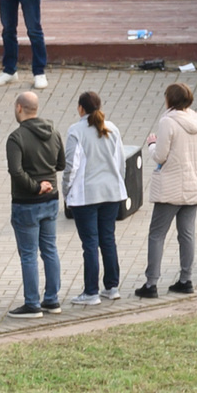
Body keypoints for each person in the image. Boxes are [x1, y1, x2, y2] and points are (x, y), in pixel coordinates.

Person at [138, 83, 197, 297]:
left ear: (170, 100)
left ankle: (151, 283)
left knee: (157, 234)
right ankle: (186, 279)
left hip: (170, 187)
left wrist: (151, 144)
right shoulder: (196, 120)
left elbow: (160, 156)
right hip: (192, 184)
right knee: (187, 234)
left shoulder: (168, 122)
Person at [4, 90, 66, 316]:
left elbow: (16, 171)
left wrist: (35, 186)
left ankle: (32, 303)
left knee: (28, 254)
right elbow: (61, 164)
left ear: (19, 108)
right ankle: (52, 300)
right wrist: (46, 181)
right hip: (51, 200)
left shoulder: (16, 138)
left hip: (26, 203)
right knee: (49, 249)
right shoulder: (54, 132)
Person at [61, 91, 126, 303]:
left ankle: (90, 291)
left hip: (86, 196)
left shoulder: (75, 131)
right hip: (111, 193)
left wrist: (66, 191)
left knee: (90, 243)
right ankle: (112, 286)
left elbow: (71, 166)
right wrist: (119, 185)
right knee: (108, 239)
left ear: (80, 108)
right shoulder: (112, 128)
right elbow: (121, 161)